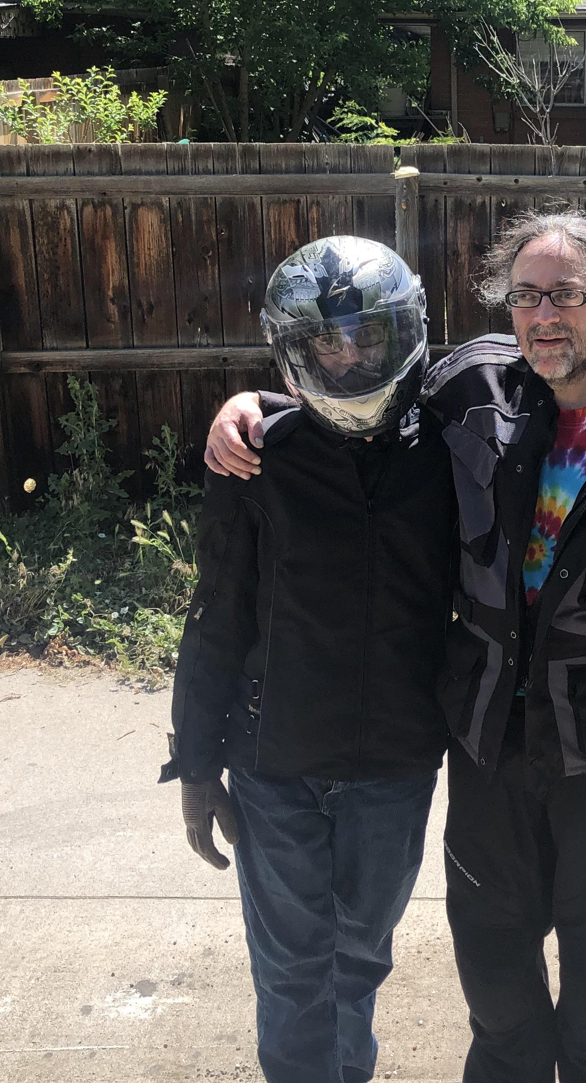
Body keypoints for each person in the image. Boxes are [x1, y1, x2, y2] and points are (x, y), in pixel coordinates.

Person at [206, 208, 586, 1083]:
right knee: (499, 1006)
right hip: (486, 750)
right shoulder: (470, 387)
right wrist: (253, 409)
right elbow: (357, 397)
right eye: (526, 296)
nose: (545, 316)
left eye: (566, 295)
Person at [162, 235, 456, 1083]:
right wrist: (195, 766)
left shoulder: (450, 448)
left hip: (394, 761)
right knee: (293, 973)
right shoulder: (258, 457)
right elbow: (217, 613)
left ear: (406, 332)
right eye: (328, 341)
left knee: (359, 959)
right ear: (295, 350)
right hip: (275, 761)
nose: (351, 356)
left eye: (369, 335)